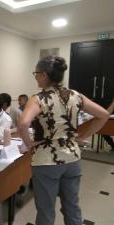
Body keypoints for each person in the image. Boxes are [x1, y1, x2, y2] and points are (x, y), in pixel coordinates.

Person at [18, 56, 109, 225]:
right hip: (72, 158)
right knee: (72, 206)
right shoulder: (75, 95)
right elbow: (103, 115)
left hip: (46, 161)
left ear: (44, 75)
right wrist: (84, 136)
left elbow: (23, 124)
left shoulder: (38, 98)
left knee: (46, 210)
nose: (36, 77)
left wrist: (29, 144)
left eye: (36, 73)